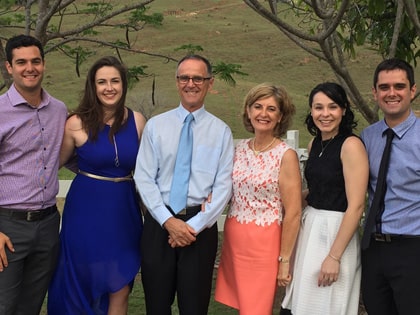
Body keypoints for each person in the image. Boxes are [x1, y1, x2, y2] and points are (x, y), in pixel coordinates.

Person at [133, 54, 234, 315]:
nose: (191, 83)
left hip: (199, 230)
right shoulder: (156, 126)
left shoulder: (221, 131)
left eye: (198, 78)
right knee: (156, 305)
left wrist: (192, 228)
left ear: (209, 83)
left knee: (194, 307)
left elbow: (223, 188)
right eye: (185, 78)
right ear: (177, 82)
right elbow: (144, 178)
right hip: (158, 224)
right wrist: (169, 222)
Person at [47, 56, 145, 314]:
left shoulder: (137, 122)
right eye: (102, 82)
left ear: (123, 85)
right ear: (93, 86)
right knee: (81, 278)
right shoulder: (75, 123)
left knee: (120, 284)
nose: (109, 87)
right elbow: (54, 164)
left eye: (115, 81)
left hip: (124, 212)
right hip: (85, 212)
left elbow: (149, 169)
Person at [214, 83, 302, 314]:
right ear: (249, 111)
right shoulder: (239, 148)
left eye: (271, 109)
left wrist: (284, 260)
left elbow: (293, 212)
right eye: (258, 106)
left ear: (281, 116)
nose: (263, 114)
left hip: (265, 244)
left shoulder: (286, 155)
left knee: (257, 308)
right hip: (235, 239)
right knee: (243, 305)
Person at [281, 82, 369, 315]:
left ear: (343, 110)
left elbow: (356, 205)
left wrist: (334, 257)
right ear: (311, 111)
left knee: (326, 302)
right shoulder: (314, 144)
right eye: (318, 107)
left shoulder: (351, 145)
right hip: (309, 229)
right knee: (303, 302)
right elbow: (320, 189)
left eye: (332, 107)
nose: (325, 114)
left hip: (336, 232)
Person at [0, 35, 67, 315]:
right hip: (8, 226)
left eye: (35, 61)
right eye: (22, 62)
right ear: (9, 67)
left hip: (48, 224)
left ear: (44, 64)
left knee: (31, 306)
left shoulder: (59, 110)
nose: (30, 68)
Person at [360, 58, 420, 315]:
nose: (391, 93)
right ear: (375, 93)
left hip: (412, 248)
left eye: (399, 86)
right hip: (373, 249)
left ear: (412, 90)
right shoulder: (368, 136)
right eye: (384, 87)